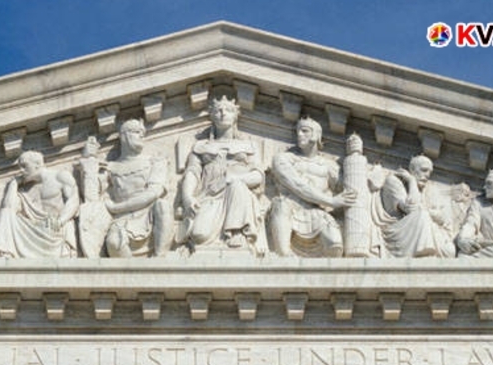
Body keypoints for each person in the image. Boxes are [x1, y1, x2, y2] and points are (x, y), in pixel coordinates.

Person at [177, 96, 265, 253]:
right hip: (209, 195)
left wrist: (233, 179)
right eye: (218, 110)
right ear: (211, 116)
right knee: (199, 235)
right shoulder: (200, 146)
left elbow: (258, 176)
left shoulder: (249, 145)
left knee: (237, 186)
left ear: (236, 116)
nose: (223, 113)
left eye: (228, 110)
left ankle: (236, 232)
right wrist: (187, 197)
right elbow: (192, 173)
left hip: (239, 197)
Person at [268, 117, 355, 257]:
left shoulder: (329, 166)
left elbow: (348, 189)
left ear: (316, 135)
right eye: (298, 131)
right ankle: (283, 255)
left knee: (335, 246)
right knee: (280, 204)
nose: (299, 134)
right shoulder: (283, 159)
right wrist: (331, 201)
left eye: (305, 131)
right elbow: (297, 184)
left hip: (317, 212)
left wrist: (357, 160)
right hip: (290, 208)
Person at [96, 119, 174, 258]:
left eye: (143, 132)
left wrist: (116, 207)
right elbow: (97, 199)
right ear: (124, 135)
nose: (142, 135)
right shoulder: (110, 168)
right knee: (113, 242)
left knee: (163, 205)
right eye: (137, 132)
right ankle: (132, 270)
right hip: (122, 220)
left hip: (149, 214)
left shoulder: (154, 161)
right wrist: (89, 160)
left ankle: (160, 259)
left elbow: (154, 192)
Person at [0, 150, 79, 258]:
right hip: (32, 229)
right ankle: (4, 254)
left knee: (67, 223)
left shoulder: (59, 176)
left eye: (24, 166)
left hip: (54, 228)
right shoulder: (23, 189)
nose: (21, 170)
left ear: (37, 164)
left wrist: (60, 221)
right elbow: (8, 208)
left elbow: (73, 200)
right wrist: (13, 184)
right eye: (20, 167)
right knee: (5, 212)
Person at [371, 154, 460, 258]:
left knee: (450, 251)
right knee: (422, 215)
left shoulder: (423, 190)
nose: (427, 175)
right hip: (397, 232)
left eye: (429, 172)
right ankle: (424, 254)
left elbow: (442, 217)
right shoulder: (393, 181)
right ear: (412, 169)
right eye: (424, 170)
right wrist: (412, 181)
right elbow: (411, 208)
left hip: (418, 230)